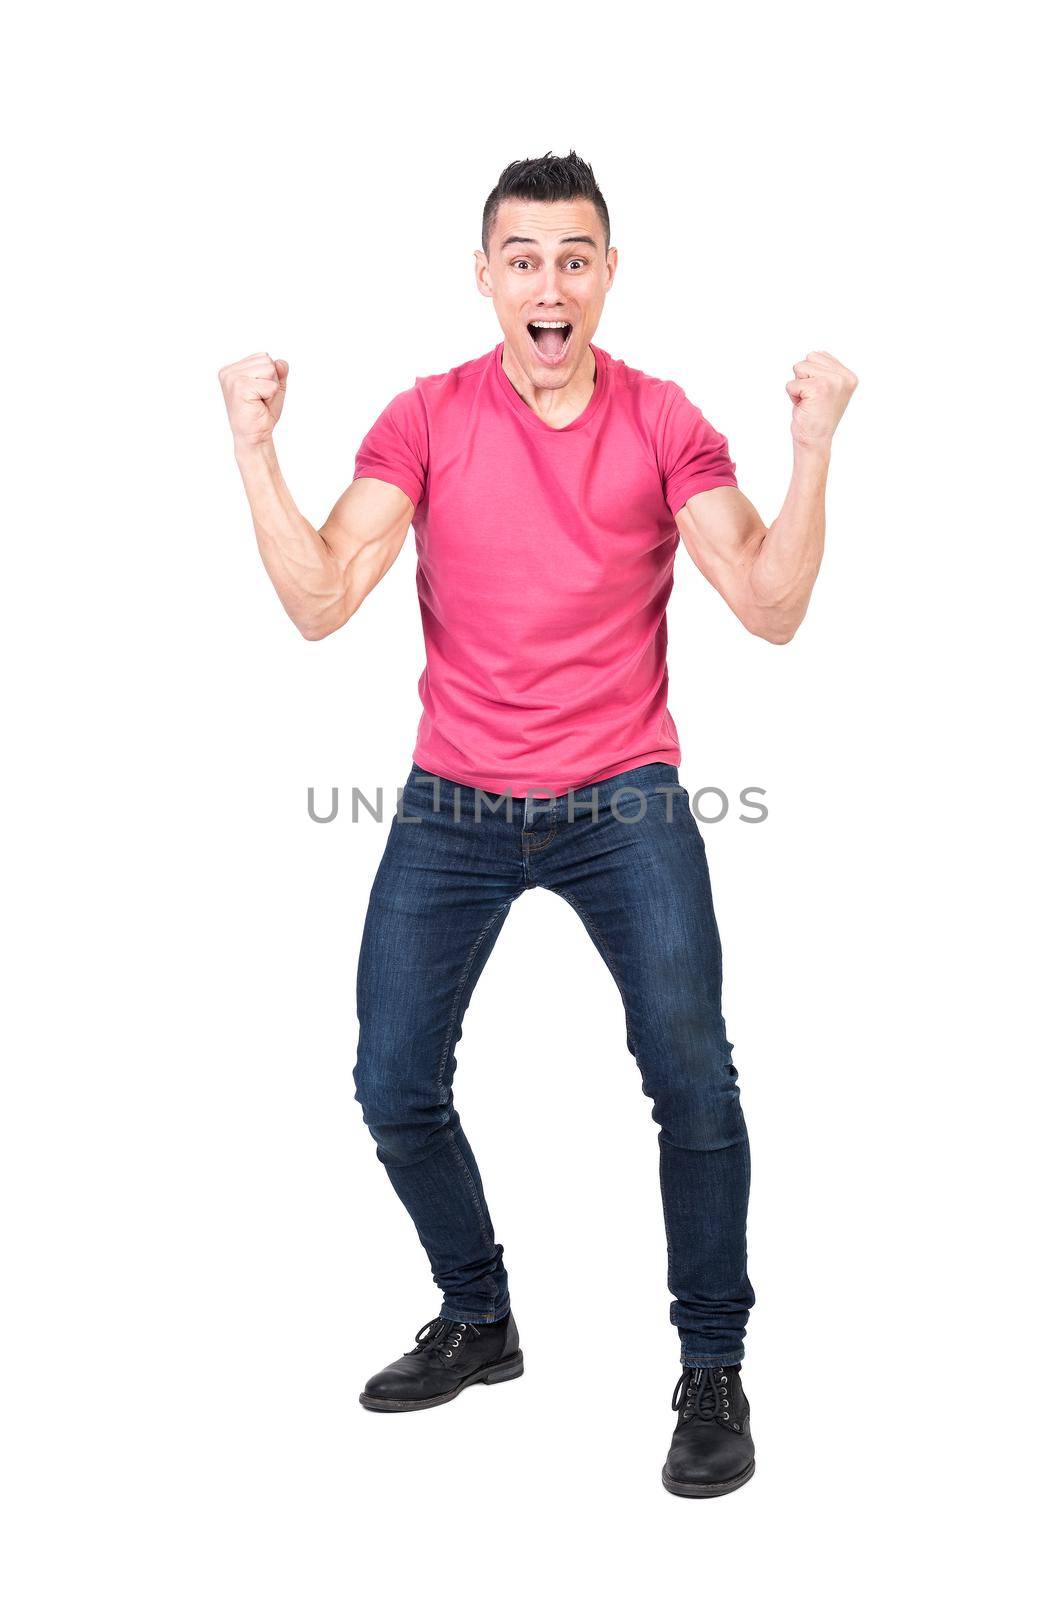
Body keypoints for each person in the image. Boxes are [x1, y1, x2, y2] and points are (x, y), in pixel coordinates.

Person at [218, 150, 857, 1498]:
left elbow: (772, 603)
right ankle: (478, 1315)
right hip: (453, 801)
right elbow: (326, 596)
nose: (550, 284)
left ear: (609, 276)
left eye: (576, 258)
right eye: (525, 259)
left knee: (694, 1080)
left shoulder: (664, 419)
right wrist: (254, 450)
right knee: (392, 1083)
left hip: (624, 798)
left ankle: (714, 1367)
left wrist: (811, 450)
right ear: (486, 278)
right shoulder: (430, 416)